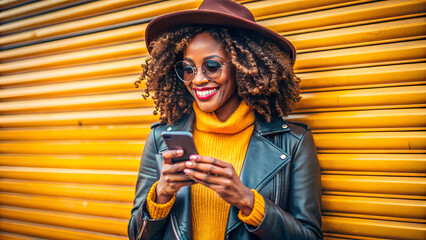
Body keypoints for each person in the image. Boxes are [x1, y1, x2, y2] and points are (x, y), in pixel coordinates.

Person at [128, 0, 322, 239]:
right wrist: (161, 195)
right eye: (188, 68)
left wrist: (248, 201)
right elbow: (136, 234)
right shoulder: (160, 139)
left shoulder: (293, 142)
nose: (197, 79)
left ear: (243, 67)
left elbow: (310, 236)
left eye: (211, 65)